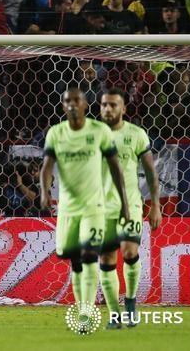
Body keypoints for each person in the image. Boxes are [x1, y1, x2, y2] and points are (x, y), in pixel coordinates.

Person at [40, 88, 130, 322]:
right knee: (76, 261)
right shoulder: (56, 133)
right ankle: (82, 305)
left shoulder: (99, 131)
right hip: (68, 209)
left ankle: (85, 313)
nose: (71, 104)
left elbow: (115, 168)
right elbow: (47, 166)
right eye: (67, 100)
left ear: (85, 104)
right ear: (62, 106)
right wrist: (44, 191)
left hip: (94, 207)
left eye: (76, 100)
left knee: (90, 254)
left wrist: (124, 204)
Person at [98, 88, 161, 328]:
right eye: (104, 105)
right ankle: (114, 314)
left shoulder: (136, 134)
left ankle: (131, 302)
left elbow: (152, 172)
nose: (108, 109)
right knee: (106, 257)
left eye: (114, 105)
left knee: (130, 252)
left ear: (123, 109)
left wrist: (155, 205)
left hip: (131, 205)